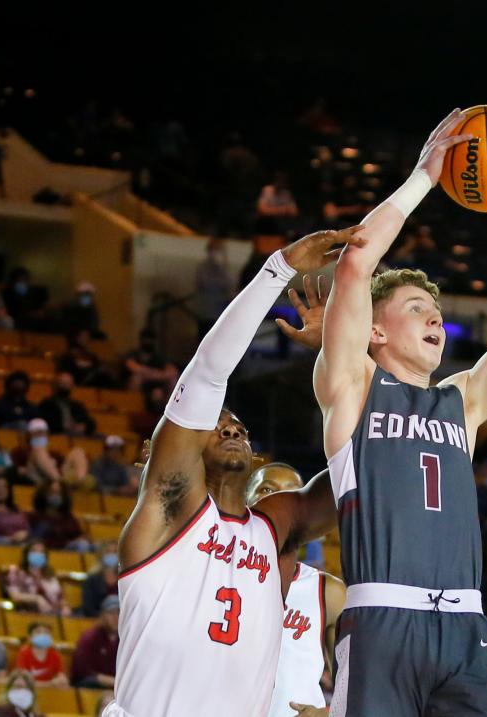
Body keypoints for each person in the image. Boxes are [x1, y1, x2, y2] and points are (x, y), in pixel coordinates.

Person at [310, 109, 487, 716]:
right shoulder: (352, 386)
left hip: (465, 628)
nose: (434, 318)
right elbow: (354, 262)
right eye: (417, 307)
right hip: (383, 620)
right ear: (374, 330)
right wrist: (426, 176)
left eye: (436, 311)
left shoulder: (463, 400)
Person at [104, 227, 357, 717]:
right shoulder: (167, 512)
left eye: (238, 425)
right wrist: (277, 270)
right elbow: (206, 374)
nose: (231, 428)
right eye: (216, 424)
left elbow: (360, 466)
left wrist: (342, 359)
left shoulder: (274, 526)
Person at [245, 463, 346, 717]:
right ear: (244, 502)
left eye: (293, 493)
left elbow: (357, 687)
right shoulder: (215, 572)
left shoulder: (328, 591)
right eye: (267, 489)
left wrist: (325, 714)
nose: (281, 500)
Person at [3, 542, 68, 615]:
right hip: (30, 614)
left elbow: (60, 597)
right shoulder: (16, 572)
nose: (38, 554)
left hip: (54, 613)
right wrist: (37, 598)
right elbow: (15, 596)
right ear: (26, 554)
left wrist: (65, 607)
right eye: (34, 551)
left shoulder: (50, 575)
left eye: (41, 552)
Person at [71, 595, 119, 688]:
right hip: (91, 684)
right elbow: (81, 671)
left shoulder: (123, 640)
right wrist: (107, 680)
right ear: (102, 616)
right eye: (111, 613)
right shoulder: (90, 638)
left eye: (119, 613)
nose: (116, 618)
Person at [29, 479, 85, 550]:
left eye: (59, 493)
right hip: (42, 549)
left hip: (66, 551)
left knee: (83, 544)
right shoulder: (34, 516)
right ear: (44, 494)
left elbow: (78, 535)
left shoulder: (69, 518)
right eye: (52, 492)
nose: (55, 496)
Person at [37, 372, 96, 436]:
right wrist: (66, 427)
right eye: (62, 383)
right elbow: (46, 423)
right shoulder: (47, 404)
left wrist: (84, 426)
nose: (65, 386)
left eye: (68, 384)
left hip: (78, 434)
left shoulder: (76, 405)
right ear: (55, 385)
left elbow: (90, 421)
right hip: (58, 434)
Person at [195, 239, 234, 337]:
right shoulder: (202, 268)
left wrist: (223, 267)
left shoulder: (226, 269)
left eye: (220, 250)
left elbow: (230, 285)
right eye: (214, 250)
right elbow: (204, 283)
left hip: (221, 315)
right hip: (206, 314)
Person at [0, 474, 30, 543]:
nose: (1, 490)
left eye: (4, 487)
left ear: (9, 490)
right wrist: (9, 539)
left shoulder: (16, 509)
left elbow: (27, 529)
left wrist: (25, 534)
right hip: (0, 546)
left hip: (23, 543)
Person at [81, 542, 120, 617]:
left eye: (115, 552)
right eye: (108, 552)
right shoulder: (91, 580)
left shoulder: (124, 579)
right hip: (98, 622)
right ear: (101, 554)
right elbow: (89, 609)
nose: (111, 555)